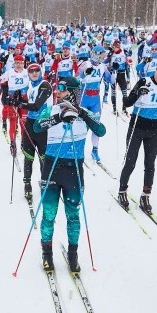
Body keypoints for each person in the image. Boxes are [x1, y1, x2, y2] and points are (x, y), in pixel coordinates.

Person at [32, 76, 106, 273]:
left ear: (73, 92)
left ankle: (73, 256)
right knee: (49, 214)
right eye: (57, 87)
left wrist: (80, 112)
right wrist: (58, 118)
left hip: (73, 169)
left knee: (73, 215)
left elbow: (101, 130)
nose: (57, 91)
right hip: (52, 167)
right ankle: (47, 255)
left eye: (62, 88)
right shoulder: (51, 110)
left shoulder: (85, 113)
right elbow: (37, 127)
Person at [118, 58, 157, 213]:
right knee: (130, 161)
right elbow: (126, 103)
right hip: (137, 126)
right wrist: (137, 94)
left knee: (150, 164)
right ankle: (122, 190)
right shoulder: (144, 81)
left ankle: (146, 194)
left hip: (153, 129)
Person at [16, 63, 53, 202]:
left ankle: (45, 183)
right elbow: (19, 96)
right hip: (30, 125)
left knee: (44, 157)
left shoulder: (45, 85)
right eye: (31, 71)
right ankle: (27, 183)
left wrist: (20, 104)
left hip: (43, 125)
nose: (34, 73)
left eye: (37, 70)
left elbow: (37, 106)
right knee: (28, 156)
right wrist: (12, 99)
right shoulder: (29, 85)